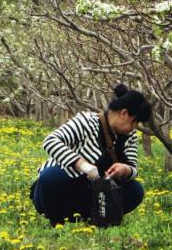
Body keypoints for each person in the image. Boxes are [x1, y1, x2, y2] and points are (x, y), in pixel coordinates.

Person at [32, 84, 152, 226]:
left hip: (94, 193)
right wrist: (81, 164)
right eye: (135, 122)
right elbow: (50, 141)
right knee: (50, 176)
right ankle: (57, 220)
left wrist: (125, 170)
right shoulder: (87, 121)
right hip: (60, 188)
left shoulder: (129, 135)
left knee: (135, 190)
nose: (134, 127)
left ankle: (97, 219)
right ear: (124, 113)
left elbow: (133, 168)